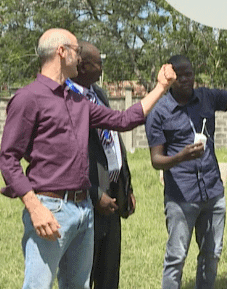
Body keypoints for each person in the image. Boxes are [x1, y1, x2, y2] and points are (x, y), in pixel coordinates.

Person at [0, 28, 175, 289]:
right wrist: (35, 208)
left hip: (84, 210)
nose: (79, 57)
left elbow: (123, 120)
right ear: (61, 52)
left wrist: (161, 87)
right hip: (51, 209)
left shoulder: (77, 101)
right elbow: (8, 159)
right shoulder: (29, 98)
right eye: (76, 50)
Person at [145, 36, 227, 289]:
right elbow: (156, 160)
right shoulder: (159, 112)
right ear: (170, 78)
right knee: (176, 257)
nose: (187, 80)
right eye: (180, 75)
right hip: (181, 196)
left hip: (213, 192)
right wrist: (180, 157)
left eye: (190, 74)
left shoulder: (207, 97)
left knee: (211, 255)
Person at [68, 41, 134, 289]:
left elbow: (114, 141)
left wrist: (126, 186)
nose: (103, 68)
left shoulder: (98, 94)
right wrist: (95, 193)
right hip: (87, 197)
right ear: (83, 66)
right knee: (84, 272)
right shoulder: (68, 99)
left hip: (113, 193)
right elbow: (73, 153)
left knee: (109, 273)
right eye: (99, 63)